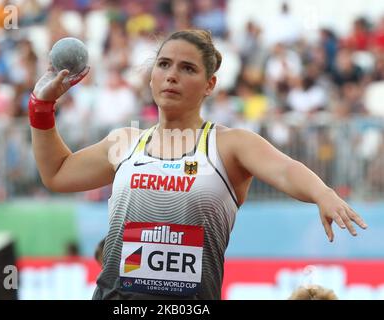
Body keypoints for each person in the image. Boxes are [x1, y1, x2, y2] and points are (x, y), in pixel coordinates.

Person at [28, 29, 368, 300]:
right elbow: (57, 173)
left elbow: (285, 169)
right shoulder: (125, 143)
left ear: (210, 85)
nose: (171, 75)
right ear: (151, 77)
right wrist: (41, 107)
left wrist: (322, 193)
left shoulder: (229, 144)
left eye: (187, 68)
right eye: (163, 64)